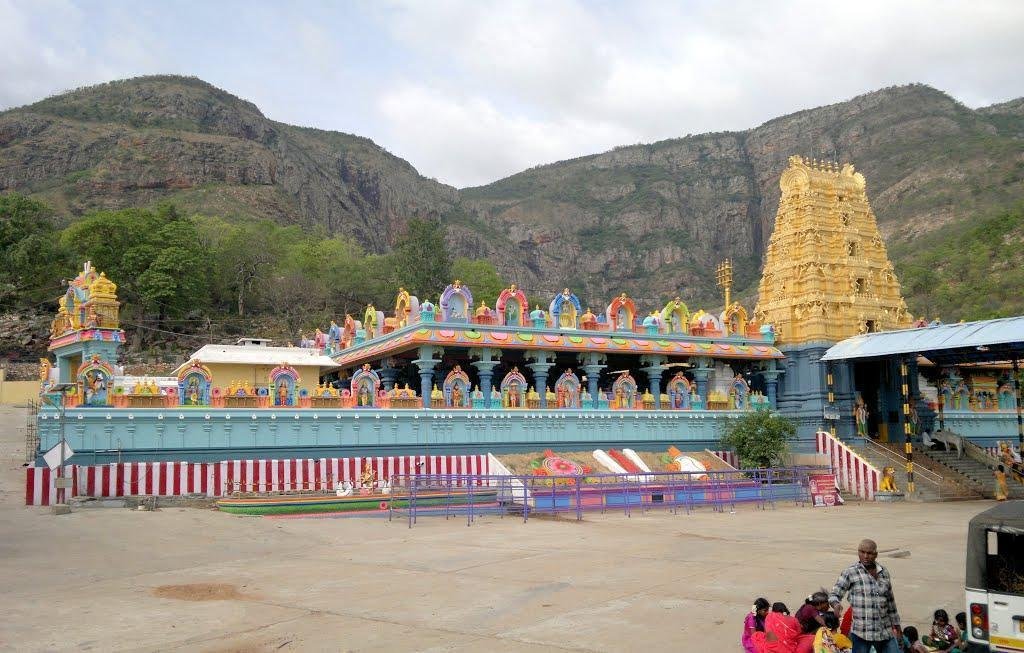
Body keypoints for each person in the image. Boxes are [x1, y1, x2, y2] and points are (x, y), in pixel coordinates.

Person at [828, 539, 901, 653]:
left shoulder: (884, 572)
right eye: (862, 552)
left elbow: (891, 602)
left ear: (876, 555)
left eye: (869, 553)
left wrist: (897, 625)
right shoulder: (850, 572)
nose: (865, 556)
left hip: (885, 632)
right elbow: (834, 594)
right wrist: (836, 604)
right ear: (858, 552)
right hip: (862, 633)